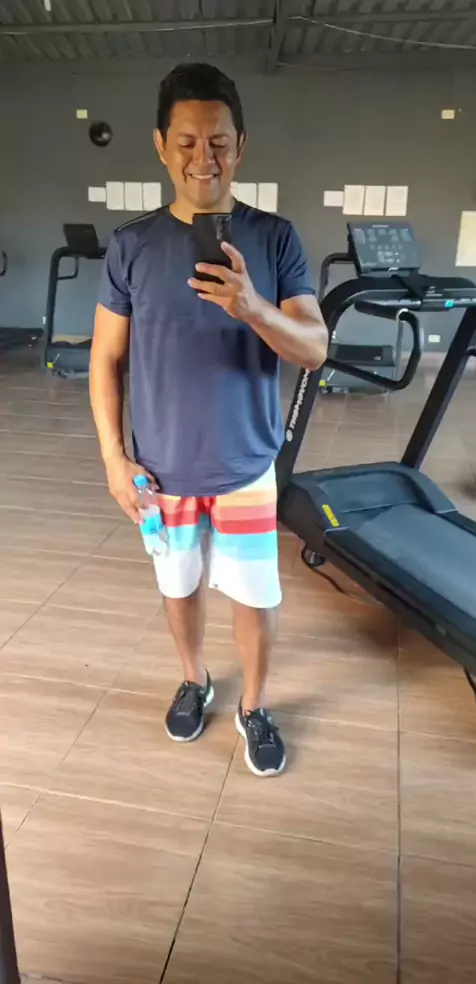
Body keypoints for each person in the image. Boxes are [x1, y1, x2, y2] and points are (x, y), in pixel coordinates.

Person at [90, 63, 327, 778]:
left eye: (219, 142)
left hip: (246, 465)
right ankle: (194, 680)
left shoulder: (275, 239)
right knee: (179, 588)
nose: (204, 158)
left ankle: (254, 706)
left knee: (255, 599)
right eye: (188, 142)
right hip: (161, 470)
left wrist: (252, 308)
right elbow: (106, 360)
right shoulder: (131, 245)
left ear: (240, 146)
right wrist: (113, 460)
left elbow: (314, 348)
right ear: (161, 146)